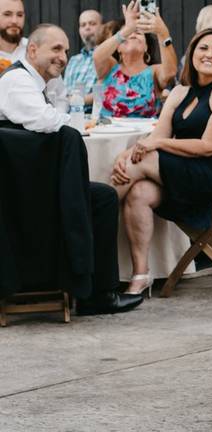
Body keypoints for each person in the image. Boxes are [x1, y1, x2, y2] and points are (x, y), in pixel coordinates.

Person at [0, 24, 143, 316]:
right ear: (32, 50)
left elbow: (63, 112)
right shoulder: (16, 81)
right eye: (56, 49)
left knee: (102, 197)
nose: (63, 56)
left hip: (32, 187)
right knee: (99, 197)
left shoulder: (44, 81)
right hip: (19, 196)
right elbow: (49, 122)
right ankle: (95, 293)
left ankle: (95, 291)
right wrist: (71, 120)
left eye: (66, 50)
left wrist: (61, 100)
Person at [109, 28, 212, 297]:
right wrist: (123, 156)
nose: (209, 55)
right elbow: (156, 135)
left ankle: (87, 229)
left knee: (142, 161)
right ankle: (140, 275)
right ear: (192, 53)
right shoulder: (180, 91)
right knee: (139, 192)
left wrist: (156, 145)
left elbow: (209, 147)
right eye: (203, 48)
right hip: (182, 172)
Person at [93, 0, 177, 118]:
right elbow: (97, 56)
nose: (133, 34)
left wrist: (163, 33)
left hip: (144, 134)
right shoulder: (110, 67)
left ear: (146, 47)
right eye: (129, 34)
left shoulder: (154, 71)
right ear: (117, 48)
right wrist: (127, 29)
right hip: (108, 133)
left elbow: (170, 72)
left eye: (138, 32)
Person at [0, 0, 67, 110]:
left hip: (42, 123)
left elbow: (60, 97)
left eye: (20, 15)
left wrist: (58, 123)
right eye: (7, 14)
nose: (14, 20)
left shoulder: (39, 50)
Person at [64, 9, 102, 108]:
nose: (87, 27)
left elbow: (106, 92)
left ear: (102, 27)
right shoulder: (74, 60)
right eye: (83, 25)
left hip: (96, 117)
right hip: (70, 115)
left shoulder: (109, 57)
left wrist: (76, 101)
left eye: (92, 23)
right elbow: (65, 93)